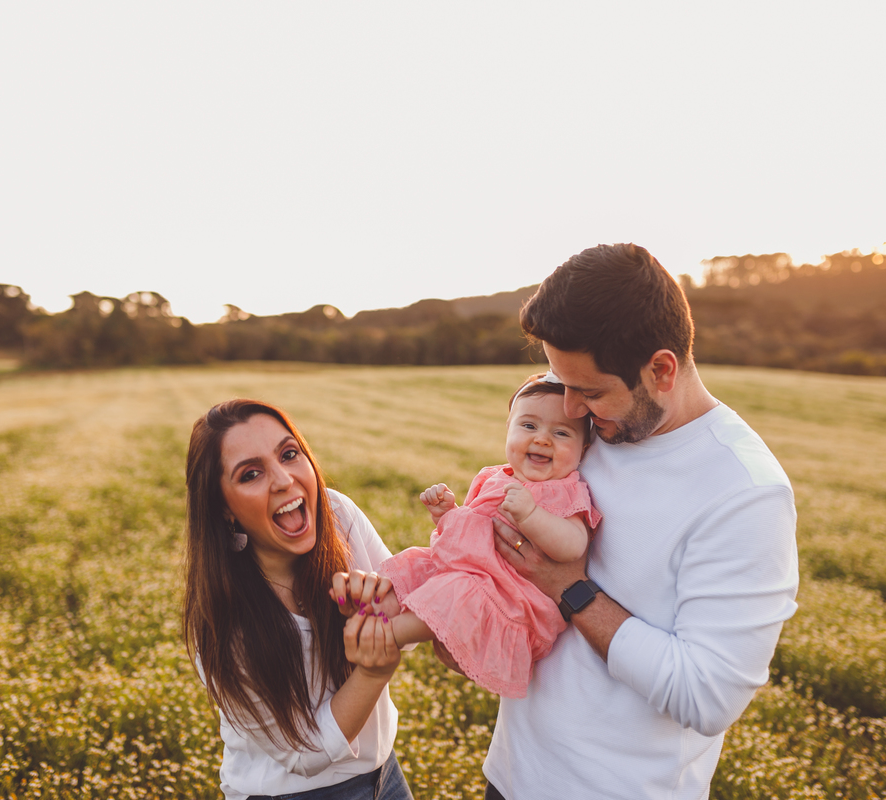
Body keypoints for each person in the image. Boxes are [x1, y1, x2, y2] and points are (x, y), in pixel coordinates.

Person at [471, 244, 800, 800]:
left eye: (590, 391)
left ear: (661, 370)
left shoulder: (745, 492)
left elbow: (706, 697)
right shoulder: (589, 428)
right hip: (508, 775)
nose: (569, 409)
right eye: (561, 382)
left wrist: (571, 589)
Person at [182, 399, 414, 800]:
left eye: (289, 454)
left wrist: (383, 611)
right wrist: (372, 672)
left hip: (385, 777)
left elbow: (414, 614)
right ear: (224, 509)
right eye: (251, 474)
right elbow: (305, 753)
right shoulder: (223, 622)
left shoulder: (337, 515)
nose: (283, 480)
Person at [337, 374, 601, 699]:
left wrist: (532, 515)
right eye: (529, 426)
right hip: (471, 574)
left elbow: (574, 545)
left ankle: (385, 635)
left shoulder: (566, 490)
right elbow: (475, 529)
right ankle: (370, 612)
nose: (543, 439)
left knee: (457, 590)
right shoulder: (494, 477)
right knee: (417, 565)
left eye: (561, 433)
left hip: (509, 600)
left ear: (584, 448)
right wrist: (448, 512)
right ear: (509, 429)